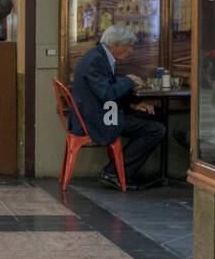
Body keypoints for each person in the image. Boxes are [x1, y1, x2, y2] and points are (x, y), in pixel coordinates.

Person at [69, 24, 164, 191]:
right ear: (115, 45)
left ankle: (120, 172)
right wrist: (128, 80)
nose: (131, 51)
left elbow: (105, 93)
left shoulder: (99, 57)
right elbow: (107, 94)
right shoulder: (96, 61)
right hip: (97, 120)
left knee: (153, 115)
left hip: (101, 114)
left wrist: (134, 105)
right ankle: (113, 172)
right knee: (156, 129)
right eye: (128, 47)